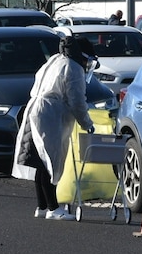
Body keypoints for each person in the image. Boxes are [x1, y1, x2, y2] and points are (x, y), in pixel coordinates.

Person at [12, 35, 97, 221]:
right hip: (49, 114)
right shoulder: (74, 68)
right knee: (51, 161)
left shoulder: (55, 59)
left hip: (34, 108)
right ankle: (53, 208)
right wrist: (88, 124)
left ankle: (42, 206)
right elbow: (77, 101)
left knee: (39, 161)